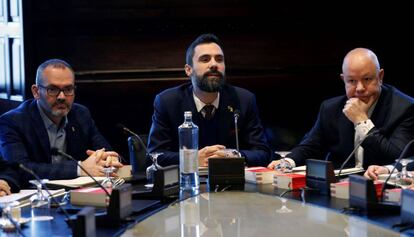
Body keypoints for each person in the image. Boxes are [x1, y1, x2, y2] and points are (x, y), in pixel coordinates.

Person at [268, 48, 414, 170]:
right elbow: (311, 146)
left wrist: (362, 121)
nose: (360, 88)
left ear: (380, 76)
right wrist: (287, 162)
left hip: (381, 187)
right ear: (343, 80)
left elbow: (398, 156)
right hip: (339, 184)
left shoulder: (405, 108)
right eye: (351, 81)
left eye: (367, 79)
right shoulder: (330, 108)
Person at [147, 33, 271, 167]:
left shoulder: (244, 99)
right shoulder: (167, 101)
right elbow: (155, 155)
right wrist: (192, 159)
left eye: (219, 59)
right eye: (205, 59)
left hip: (232, 180)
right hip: (187, 182)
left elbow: (263, 152)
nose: (214, 64)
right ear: (188, 70)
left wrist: (235, 155)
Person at [0, 59, 122, 183]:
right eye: (53, 89)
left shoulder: (80, 114)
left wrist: (110, 159)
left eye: (68, 89)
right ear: (36, 92)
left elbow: (105, 150)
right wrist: (80, 169)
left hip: (78, 195)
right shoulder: (12, 122)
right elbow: (18, 169)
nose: (62, 97)